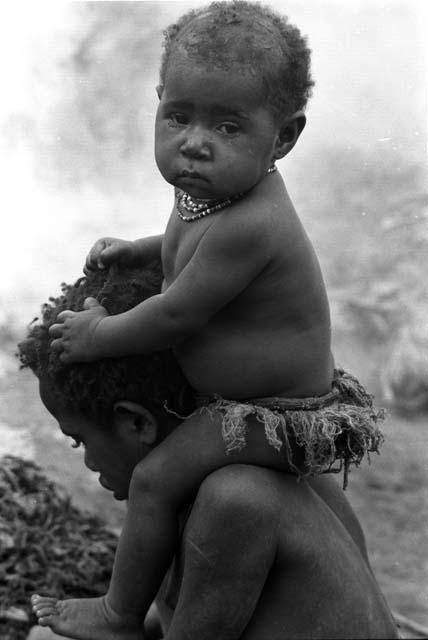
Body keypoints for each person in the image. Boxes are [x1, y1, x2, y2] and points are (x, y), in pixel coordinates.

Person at [38, 2, 384, 638]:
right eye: (179, 116)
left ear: (284, 136)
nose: (195, 142)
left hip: (271, 413)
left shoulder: (254, 222)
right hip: (258, 404)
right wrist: (139, 250)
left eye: (228, 126)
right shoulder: (211, 192)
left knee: (152, 480)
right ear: (159, 101)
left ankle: (118, 615)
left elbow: (174, 313)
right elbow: (182, 250)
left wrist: (96, 337)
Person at [21, 263, 399, 639]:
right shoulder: (280, 472)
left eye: (79, 440)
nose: (87, 461)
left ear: (137, 423)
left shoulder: (235, 499)